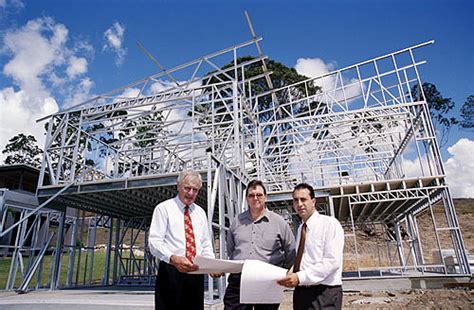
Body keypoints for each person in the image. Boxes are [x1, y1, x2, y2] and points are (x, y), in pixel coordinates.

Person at [225, 179, 296, 310]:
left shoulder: (279, 222)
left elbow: (291, 250)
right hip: (239, 280)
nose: (255, 198)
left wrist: (280, 272)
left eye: (259, 195)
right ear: (247, 198)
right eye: (251, 195)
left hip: (268, 281)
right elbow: (231, 249)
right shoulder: (237, 222)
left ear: (265, 197)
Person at [149, 170, 215, 310]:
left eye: (195, 190)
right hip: (170, 272)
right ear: (178, 186)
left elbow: (205, 243)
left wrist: (211, 265)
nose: (191, 193)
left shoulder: (200, 213)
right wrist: (173, 258)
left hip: (195, 274)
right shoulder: (164, 209)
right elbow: (154, 242)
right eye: (187, 188)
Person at [277, 183, 344, 310]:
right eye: (296, 200)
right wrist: (289, 274)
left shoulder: (329, 224)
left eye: (303, 199)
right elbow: (301, 259)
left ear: (313, 201)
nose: (299, 204)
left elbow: (332, 262)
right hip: (302, 292)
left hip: (324, 293)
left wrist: (299, 277)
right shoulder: (301, 229)